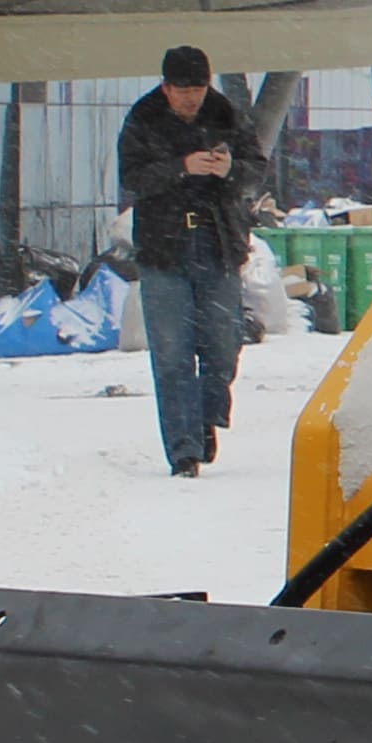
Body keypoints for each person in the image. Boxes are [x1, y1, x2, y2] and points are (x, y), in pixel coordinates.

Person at [116, 46, 262, 477]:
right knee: (172, 353)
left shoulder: (225, 114)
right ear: (166, 88)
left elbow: (256, 168)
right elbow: (132, 178)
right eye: (183, 92)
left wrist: (228, 170)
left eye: (198, 91)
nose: (191, 100)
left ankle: (205, 416)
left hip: (217, 244)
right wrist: (180, 166)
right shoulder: (143, 118)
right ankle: (184, 450)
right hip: (164, 249)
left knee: (222, 346)